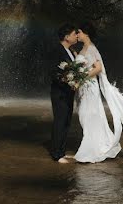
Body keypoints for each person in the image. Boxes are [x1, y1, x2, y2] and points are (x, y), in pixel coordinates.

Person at [73, 22, 123, 163]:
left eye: (78, 32)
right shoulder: (83, 49)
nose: (77, 34)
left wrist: (81, 78)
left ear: (86, 33)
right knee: (85, 115)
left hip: (89, 86)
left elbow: (98, 68)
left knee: (89, 115)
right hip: (83, 87)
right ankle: (96, 143)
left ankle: (91, 148)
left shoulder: (92, 49)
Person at [50, 23, 79, 163]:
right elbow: (53, 72)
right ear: (67, 37)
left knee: (66, 121)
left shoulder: (70, 51)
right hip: (60, 92)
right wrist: (68, 81)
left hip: (68, 92)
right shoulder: (56, 50)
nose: (76, 36)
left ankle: (61, 151)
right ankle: (56, 154)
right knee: (60, 122)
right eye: (74, 34)